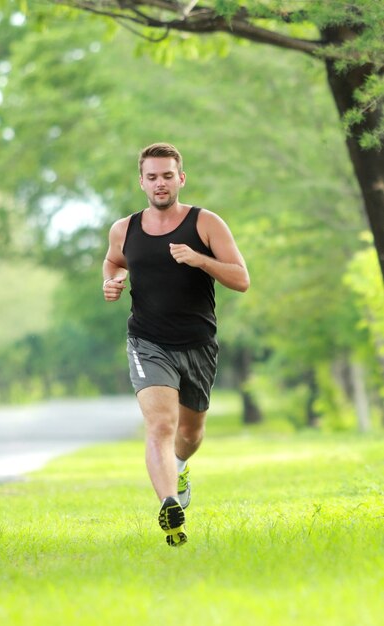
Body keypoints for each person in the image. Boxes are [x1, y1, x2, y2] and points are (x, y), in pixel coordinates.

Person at [102, 142, 250, 547]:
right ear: (142, 182)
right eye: (152, 177)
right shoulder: (124, 229)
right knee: (161, 425)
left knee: (190, 433)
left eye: (168, 175)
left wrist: (201, 260)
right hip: (147, 340)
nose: (160, 183)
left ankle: (180, 467)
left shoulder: (206, 224)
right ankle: (170, 506)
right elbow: (114, 260)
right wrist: (111, 281)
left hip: (198, 343)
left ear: (180, 178)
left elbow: (241, 279)